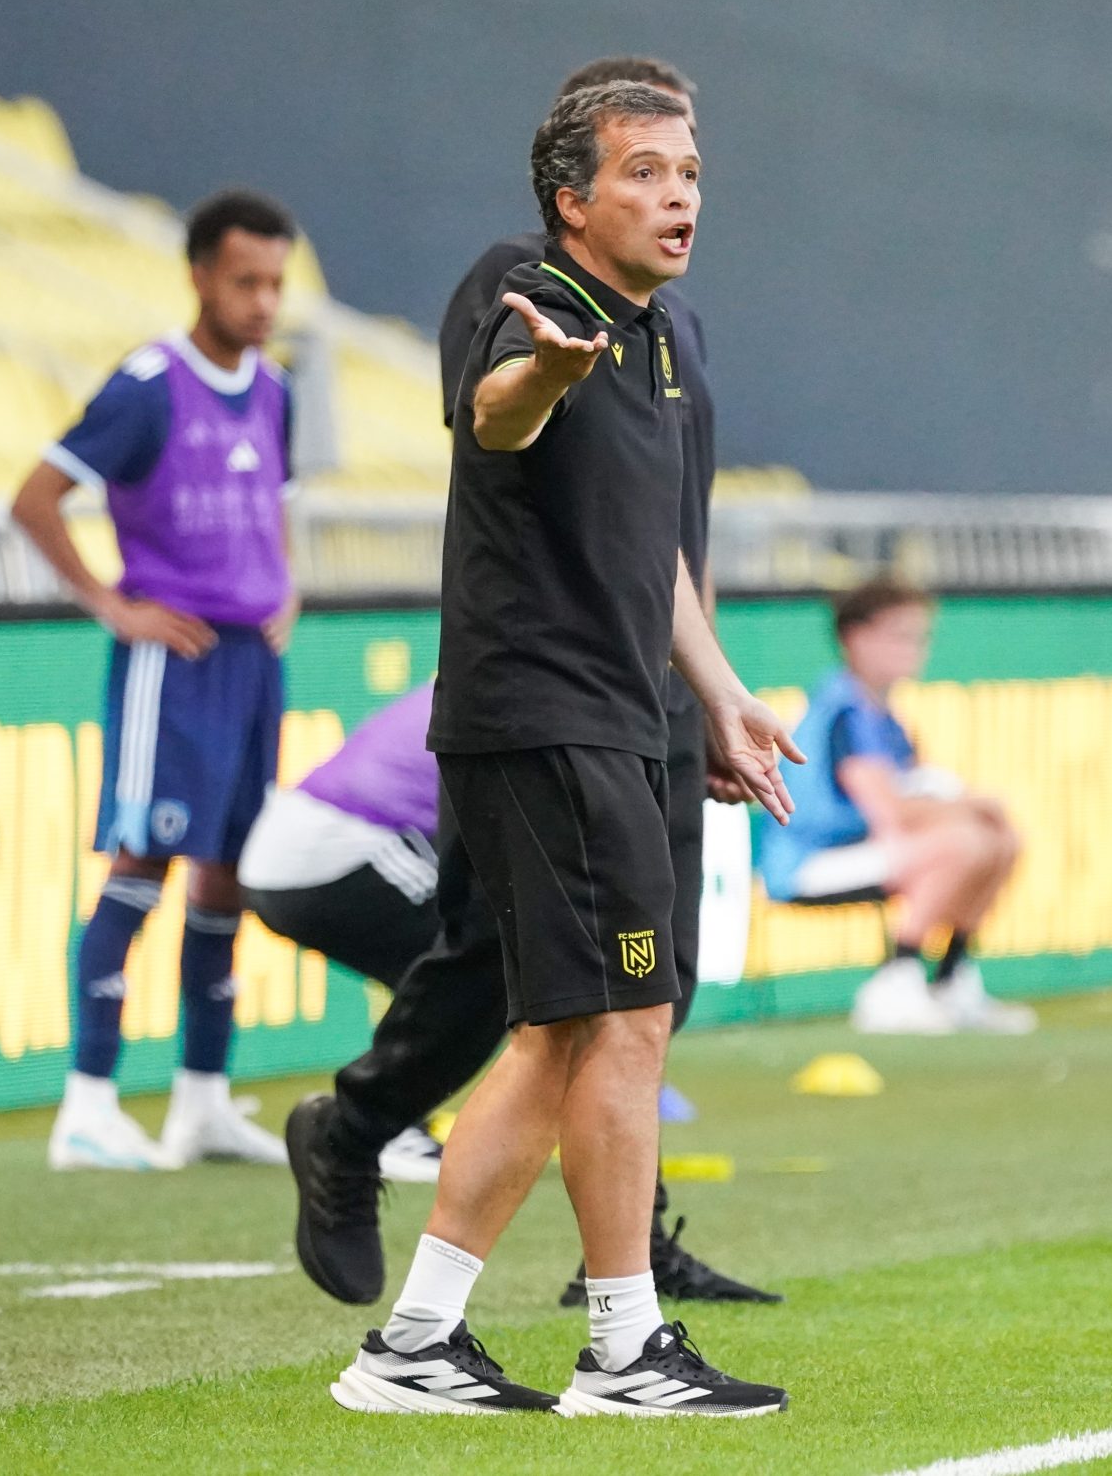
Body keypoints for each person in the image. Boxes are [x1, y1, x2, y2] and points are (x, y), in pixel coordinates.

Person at [325, 80, 799, 1418]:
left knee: (568, 1029)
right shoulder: (522, 288)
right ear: (571, 200)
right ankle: (621, 1345)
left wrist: (719, 693)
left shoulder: (658, 336)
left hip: (612, 715)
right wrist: (549, 367)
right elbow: (495, 417)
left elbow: (650, 562)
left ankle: (419, 1340)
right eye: (645, 172)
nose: (681, 194)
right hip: (542, 713)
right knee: (617, 1020)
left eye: (691, 170)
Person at [10, 189, 302, 1171]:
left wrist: (285, 585)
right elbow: (37, 496)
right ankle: (87, 1100)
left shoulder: (275, 388)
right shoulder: (147, 383)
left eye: (274, 283)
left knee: (228, 868)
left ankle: (202, 1100)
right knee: (142, 860)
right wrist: (110, 601)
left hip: (252, 659)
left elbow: (278, 501)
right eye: (244, 281)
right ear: (199, 276)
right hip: (169, 662)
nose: (262, 302)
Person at [759, 579, 1036, 1036]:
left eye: (920, 636)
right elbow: (890, 814)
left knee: (1001, 839)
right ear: (857, 638)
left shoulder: (885, 716)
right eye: (901, 635)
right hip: (807, 864)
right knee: (964, 840)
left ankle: (950, 980)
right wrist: (972, 804)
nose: (914, 648)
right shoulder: (846, 710)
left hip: (862, 852)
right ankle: (895, 981)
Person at [234, 684, 445, 1185]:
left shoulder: (482, 675)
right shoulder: (510, 695)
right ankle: (380, 1124)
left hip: (304, 849)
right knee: (474, 956)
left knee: (458, 962)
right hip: (328, 851)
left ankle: (387, 1121)